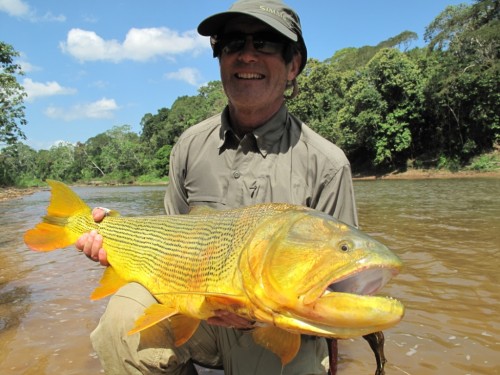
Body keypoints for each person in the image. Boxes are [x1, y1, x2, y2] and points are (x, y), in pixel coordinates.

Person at [77, 0, 358, 374]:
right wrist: (116, 237)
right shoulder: (190, 145)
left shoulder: (327, 163)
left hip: (276, 330)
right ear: (220, 58)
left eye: (265, 44)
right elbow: (169, 245)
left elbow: (342, 291)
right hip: (196, 316)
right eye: (232, 43)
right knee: (121, 324)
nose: (246, 56)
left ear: (293, 65)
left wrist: (260, 313)